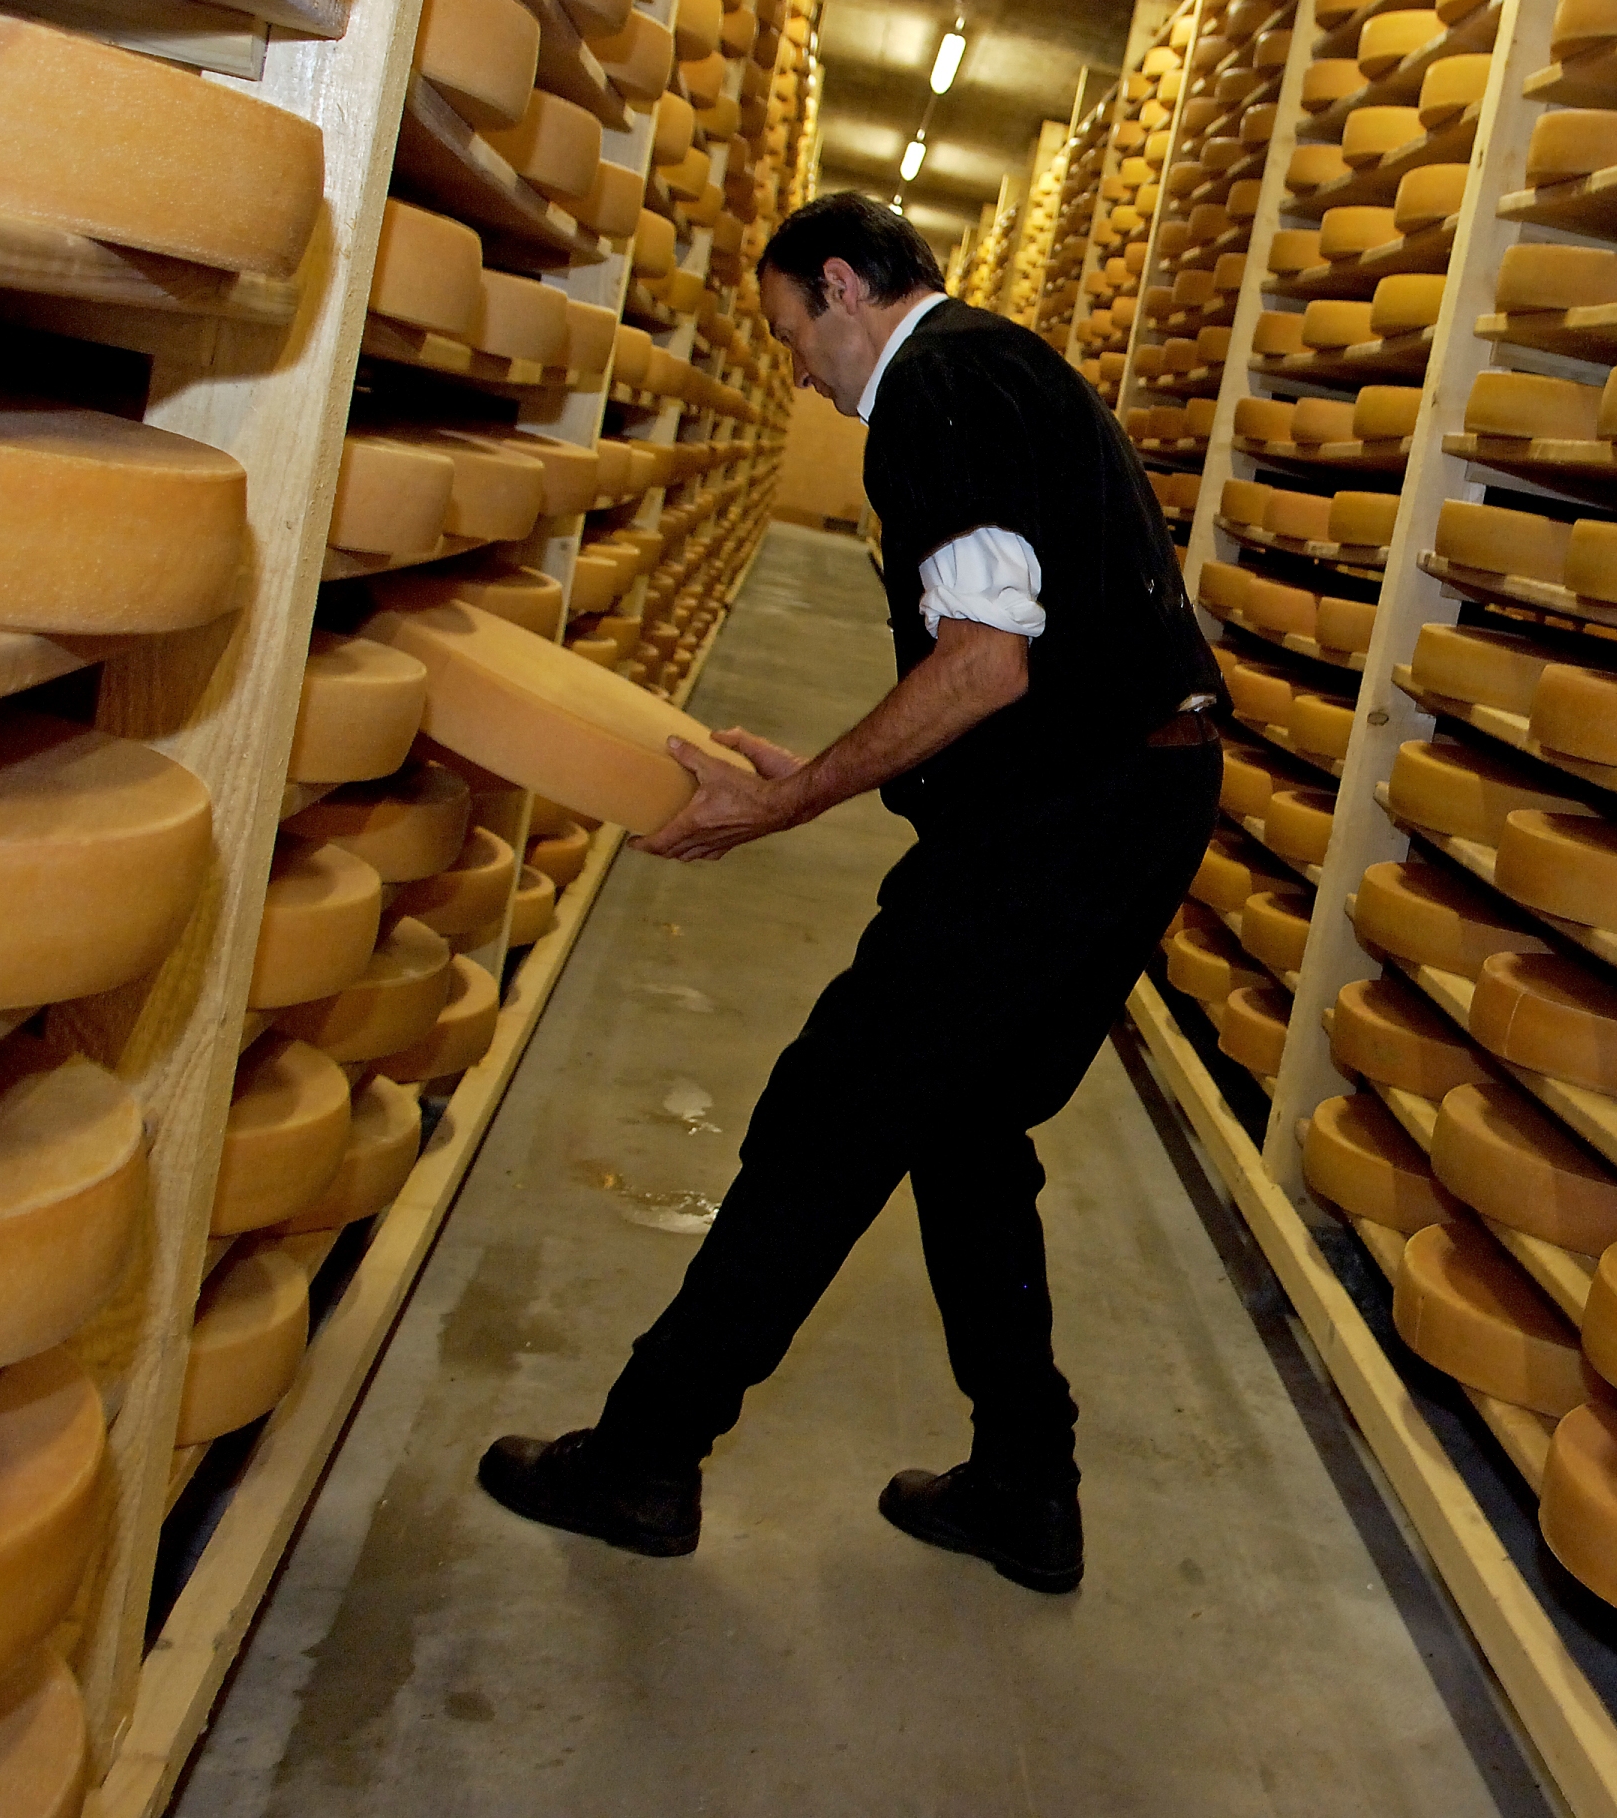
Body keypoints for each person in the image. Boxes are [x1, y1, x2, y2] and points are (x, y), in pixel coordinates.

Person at [480, 193, 1224, 1592]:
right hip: (1144, 798)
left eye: (789, 336)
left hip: (1061, 821)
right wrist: (829, 770)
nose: (797, 374)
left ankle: (646, 1453)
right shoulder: (1005, 368)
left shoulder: (933, 385)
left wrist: (792, 795)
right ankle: (1026, 1486)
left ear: (843, 287)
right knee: (963, 1134)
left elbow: (987, 661)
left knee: (832, 1113)